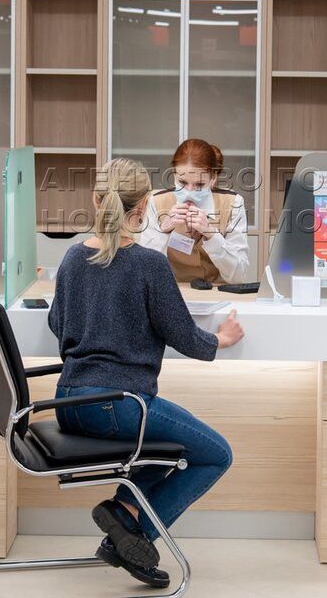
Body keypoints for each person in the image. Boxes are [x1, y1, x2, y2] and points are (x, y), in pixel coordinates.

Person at [49, 158, 244, 588]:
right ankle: (132, 531)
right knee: (216, 454)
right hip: (120, 406)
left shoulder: (72, 257)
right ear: (144, 208)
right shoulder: (148, 265)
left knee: (168, 444)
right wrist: (221, 340)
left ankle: (124, 515)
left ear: (96, 200)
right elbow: (184, 336)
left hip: (67, 402)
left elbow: (57, 325)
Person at [139, 138, 252, 285]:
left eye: (199, 184)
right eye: (182, 182)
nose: (189, 192)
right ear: (174, 174)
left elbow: (238, 276)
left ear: (213, 178)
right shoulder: (156, 202)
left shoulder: (233, 203)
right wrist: (163, 232)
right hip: (173, 292)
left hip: (219, 294)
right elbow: (143, 271)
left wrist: (212, 235)